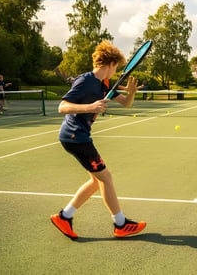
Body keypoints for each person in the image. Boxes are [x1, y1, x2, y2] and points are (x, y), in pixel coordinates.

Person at [50, 40, 146, 240]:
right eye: (116, 68)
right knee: (106, 177)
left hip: (79, 137)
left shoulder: (105, 84)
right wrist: (90, 107)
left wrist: (131, 93)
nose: (115, 71)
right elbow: (62, 107)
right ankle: (120, 224)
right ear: (110, 64)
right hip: (75, 136)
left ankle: (64, 217)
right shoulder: (86, 80)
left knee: (97, 181)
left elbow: (126, 104)